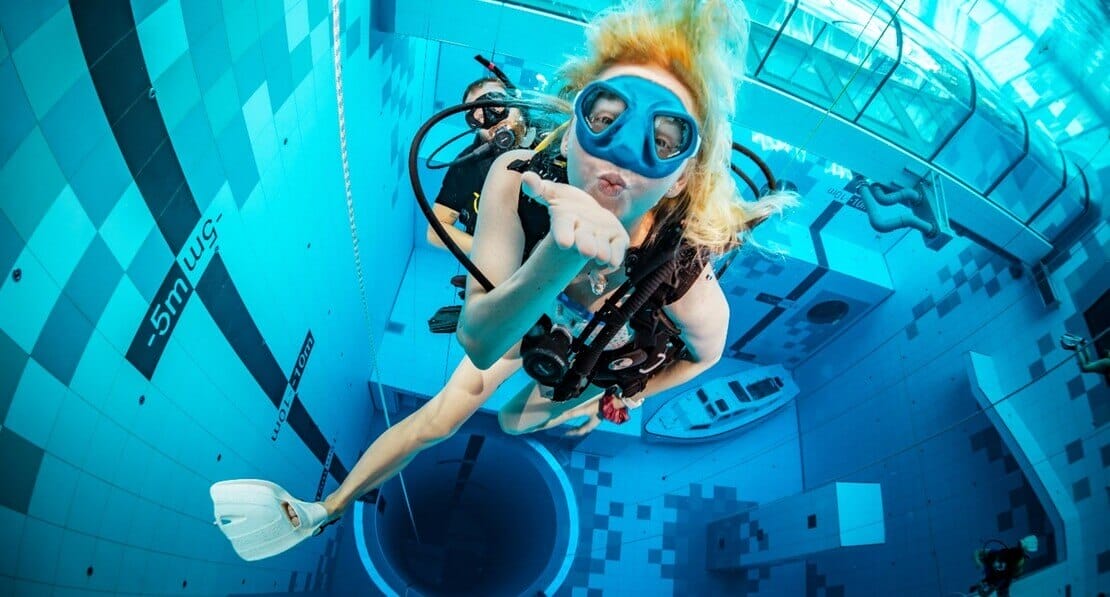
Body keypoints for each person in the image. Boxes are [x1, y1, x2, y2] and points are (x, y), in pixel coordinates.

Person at [211, 0, 796, 562]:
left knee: (518, 422)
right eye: (604, 119)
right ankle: (325, 508)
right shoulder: (514, 177)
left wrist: (629, 393)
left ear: (679, 178)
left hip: (604, 351)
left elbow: (704, 356)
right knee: (443, 416)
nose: (624, 150)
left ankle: (580, 404)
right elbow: (480, 342)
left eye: (662, 141)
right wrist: (558, 255)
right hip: (529, 316)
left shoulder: (682, 273)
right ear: (570, 131)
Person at [428, 77, 529, 254]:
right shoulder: (467, 165)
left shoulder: (552, 133)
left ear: (514, 102)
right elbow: (435, 232)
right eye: (480, 117)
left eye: (495, 106)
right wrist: (491, 254)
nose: (492, 120)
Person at [970, 535, 1038, 596]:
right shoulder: (995, 554)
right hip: (998, 577)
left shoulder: (1003, 578)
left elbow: (985, 593)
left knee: (1001, 587)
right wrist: (978, 562)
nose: (998, 566)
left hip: (1001, 580)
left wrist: (980, 586)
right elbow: (977, 553)